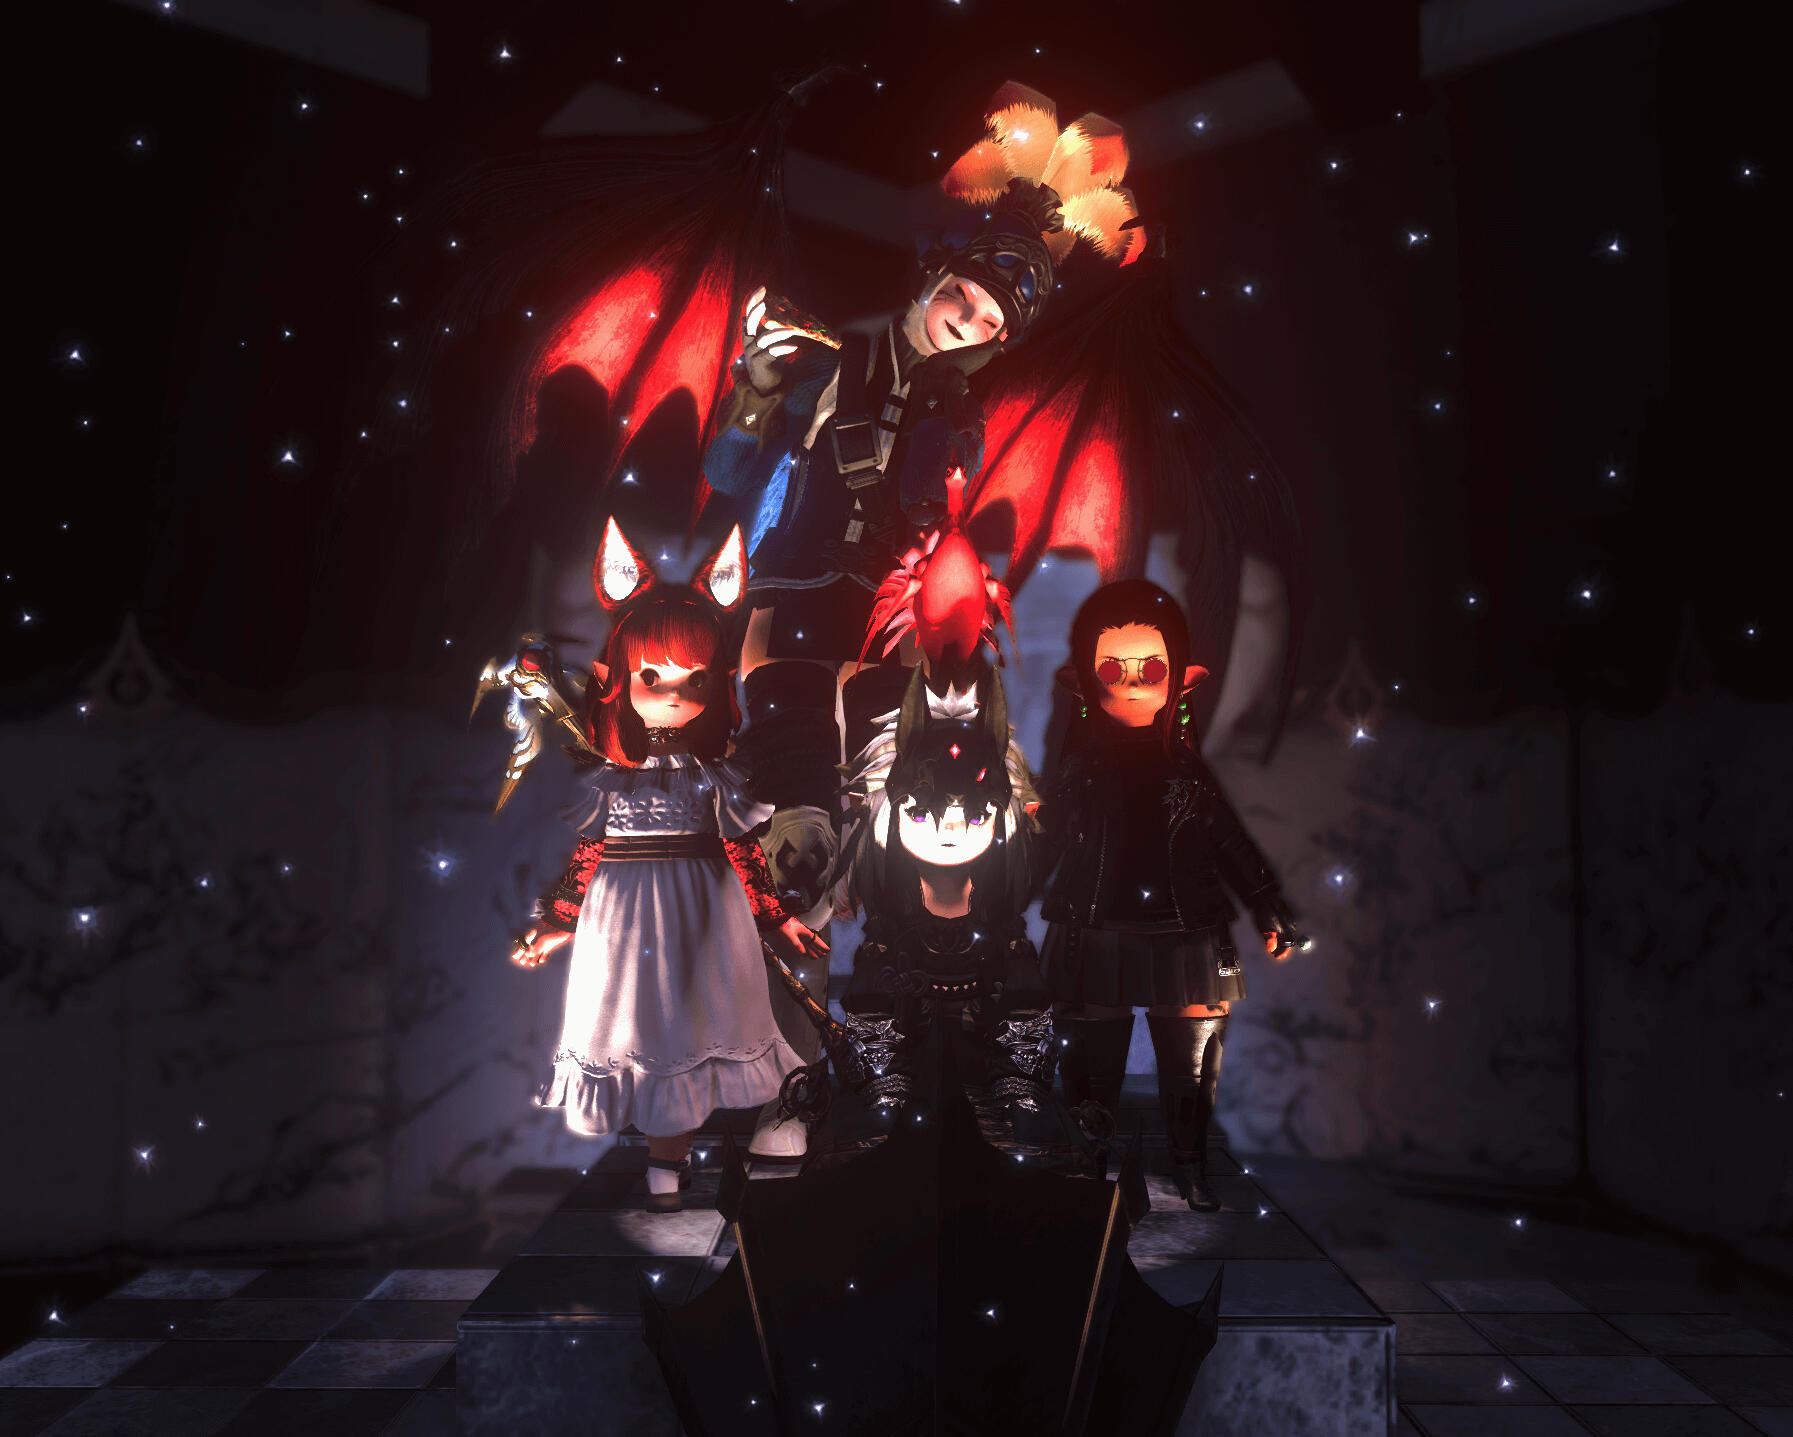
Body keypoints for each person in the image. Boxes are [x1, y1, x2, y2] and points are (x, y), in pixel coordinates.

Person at [510, 518, 828, 1211]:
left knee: (690, 1030)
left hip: (703, 914)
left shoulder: (711, 778)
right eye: (652, 677)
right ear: (621, 680)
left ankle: (670, 1162)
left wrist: (776, 919)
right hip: (622, 919)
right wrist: (559, 923)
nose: (675, 693)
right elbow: (589, 852)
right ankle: (664, 1164)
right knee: (640, 1031)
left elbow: (742, 850)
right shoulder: (612, 779)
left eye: (695, 678)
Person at [1037, 580, 1306, 1209]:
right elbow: (1046, 846)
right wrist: (995, 901)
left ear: (1178, 677)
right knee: (1090, 1057)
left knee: (1193, 1061)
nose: (1133, 683)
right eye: (1113, 669)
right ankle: (1088, 1162)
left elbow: (1227, 840)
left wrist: (1267, 900)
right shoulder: (1078, 775)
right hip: (1095, 925)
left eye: (1151, 668)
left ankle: (1190, 1164)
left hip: (1187, 927)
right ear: (1086, 679)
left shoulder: (1189, 772)